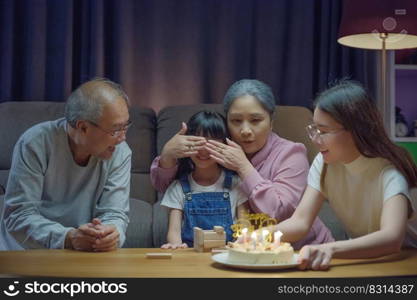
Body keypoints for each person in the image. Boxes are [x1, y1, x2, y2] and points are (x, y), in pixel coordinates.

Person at [151, 79, 334, 249]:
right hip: (245, 252)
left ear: (271, 122)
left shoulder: (291, 153)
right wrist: (167, 157)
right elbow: (168, 188)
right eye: (236, 121)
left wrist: (244, 167)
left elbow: (281, 212)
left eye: (255, 120)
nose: (245, 131)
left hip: (302, 249)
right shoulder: (216, 151)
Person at [272, 80, 417, 270]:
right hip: (364, 260)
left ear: (356, 131)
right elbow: (300, 221)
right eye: (314, 129)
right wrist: (251, 238)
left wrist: (329, 249)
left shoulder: (389, 171)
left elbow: (391, 238)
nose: (315, 139)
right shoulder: (324, 163)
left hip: (404, 261)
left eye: (323, 131)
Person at [0, 78, 132, 252]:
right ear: (83, 127)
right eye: (115, 130)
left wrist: (110, 235)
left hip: (84, 253)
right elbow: (18, 216)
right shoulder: (35, 143)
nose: (123, 137)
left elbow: (115, 213)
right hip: (25, 252)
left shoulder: (119, 150)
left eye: (126, 127)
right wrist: (68, 238)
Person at [160, 111, 248, 249]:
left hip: (227, 256)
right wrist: (175, 246)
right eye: (197, 141)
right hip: (190, 259)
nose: (203, 150)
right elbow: (174, 232)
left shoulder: (236, 184)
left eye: (211, 142)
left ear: (224, 144)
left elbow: (244, 227)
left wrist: (241, 245)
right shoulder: (178, 187)